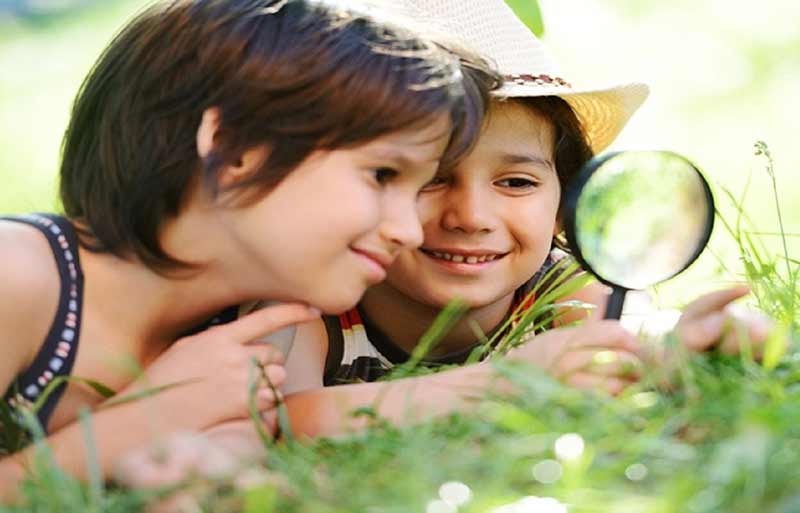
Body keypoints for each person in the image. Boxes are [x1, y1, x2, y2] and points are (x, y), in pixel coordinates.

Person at [0, 0, 498, 498]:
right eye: (382, 175)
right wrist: (140, 421)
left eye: (417, 192)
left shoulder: (256, 329)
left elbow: (232, 470)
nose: (409, 231)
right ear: (233, 149)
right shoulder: (19, 275)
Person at [276, 0, 774, 438]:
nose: (471, 216)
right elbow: (285, 420)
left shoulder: (556, 286)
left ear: (563, 207)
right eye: (431, 178)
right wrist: (503, 382)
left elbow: (630, 334)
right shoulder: (314, 296)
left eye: (516, 182)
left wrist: (684, 338)